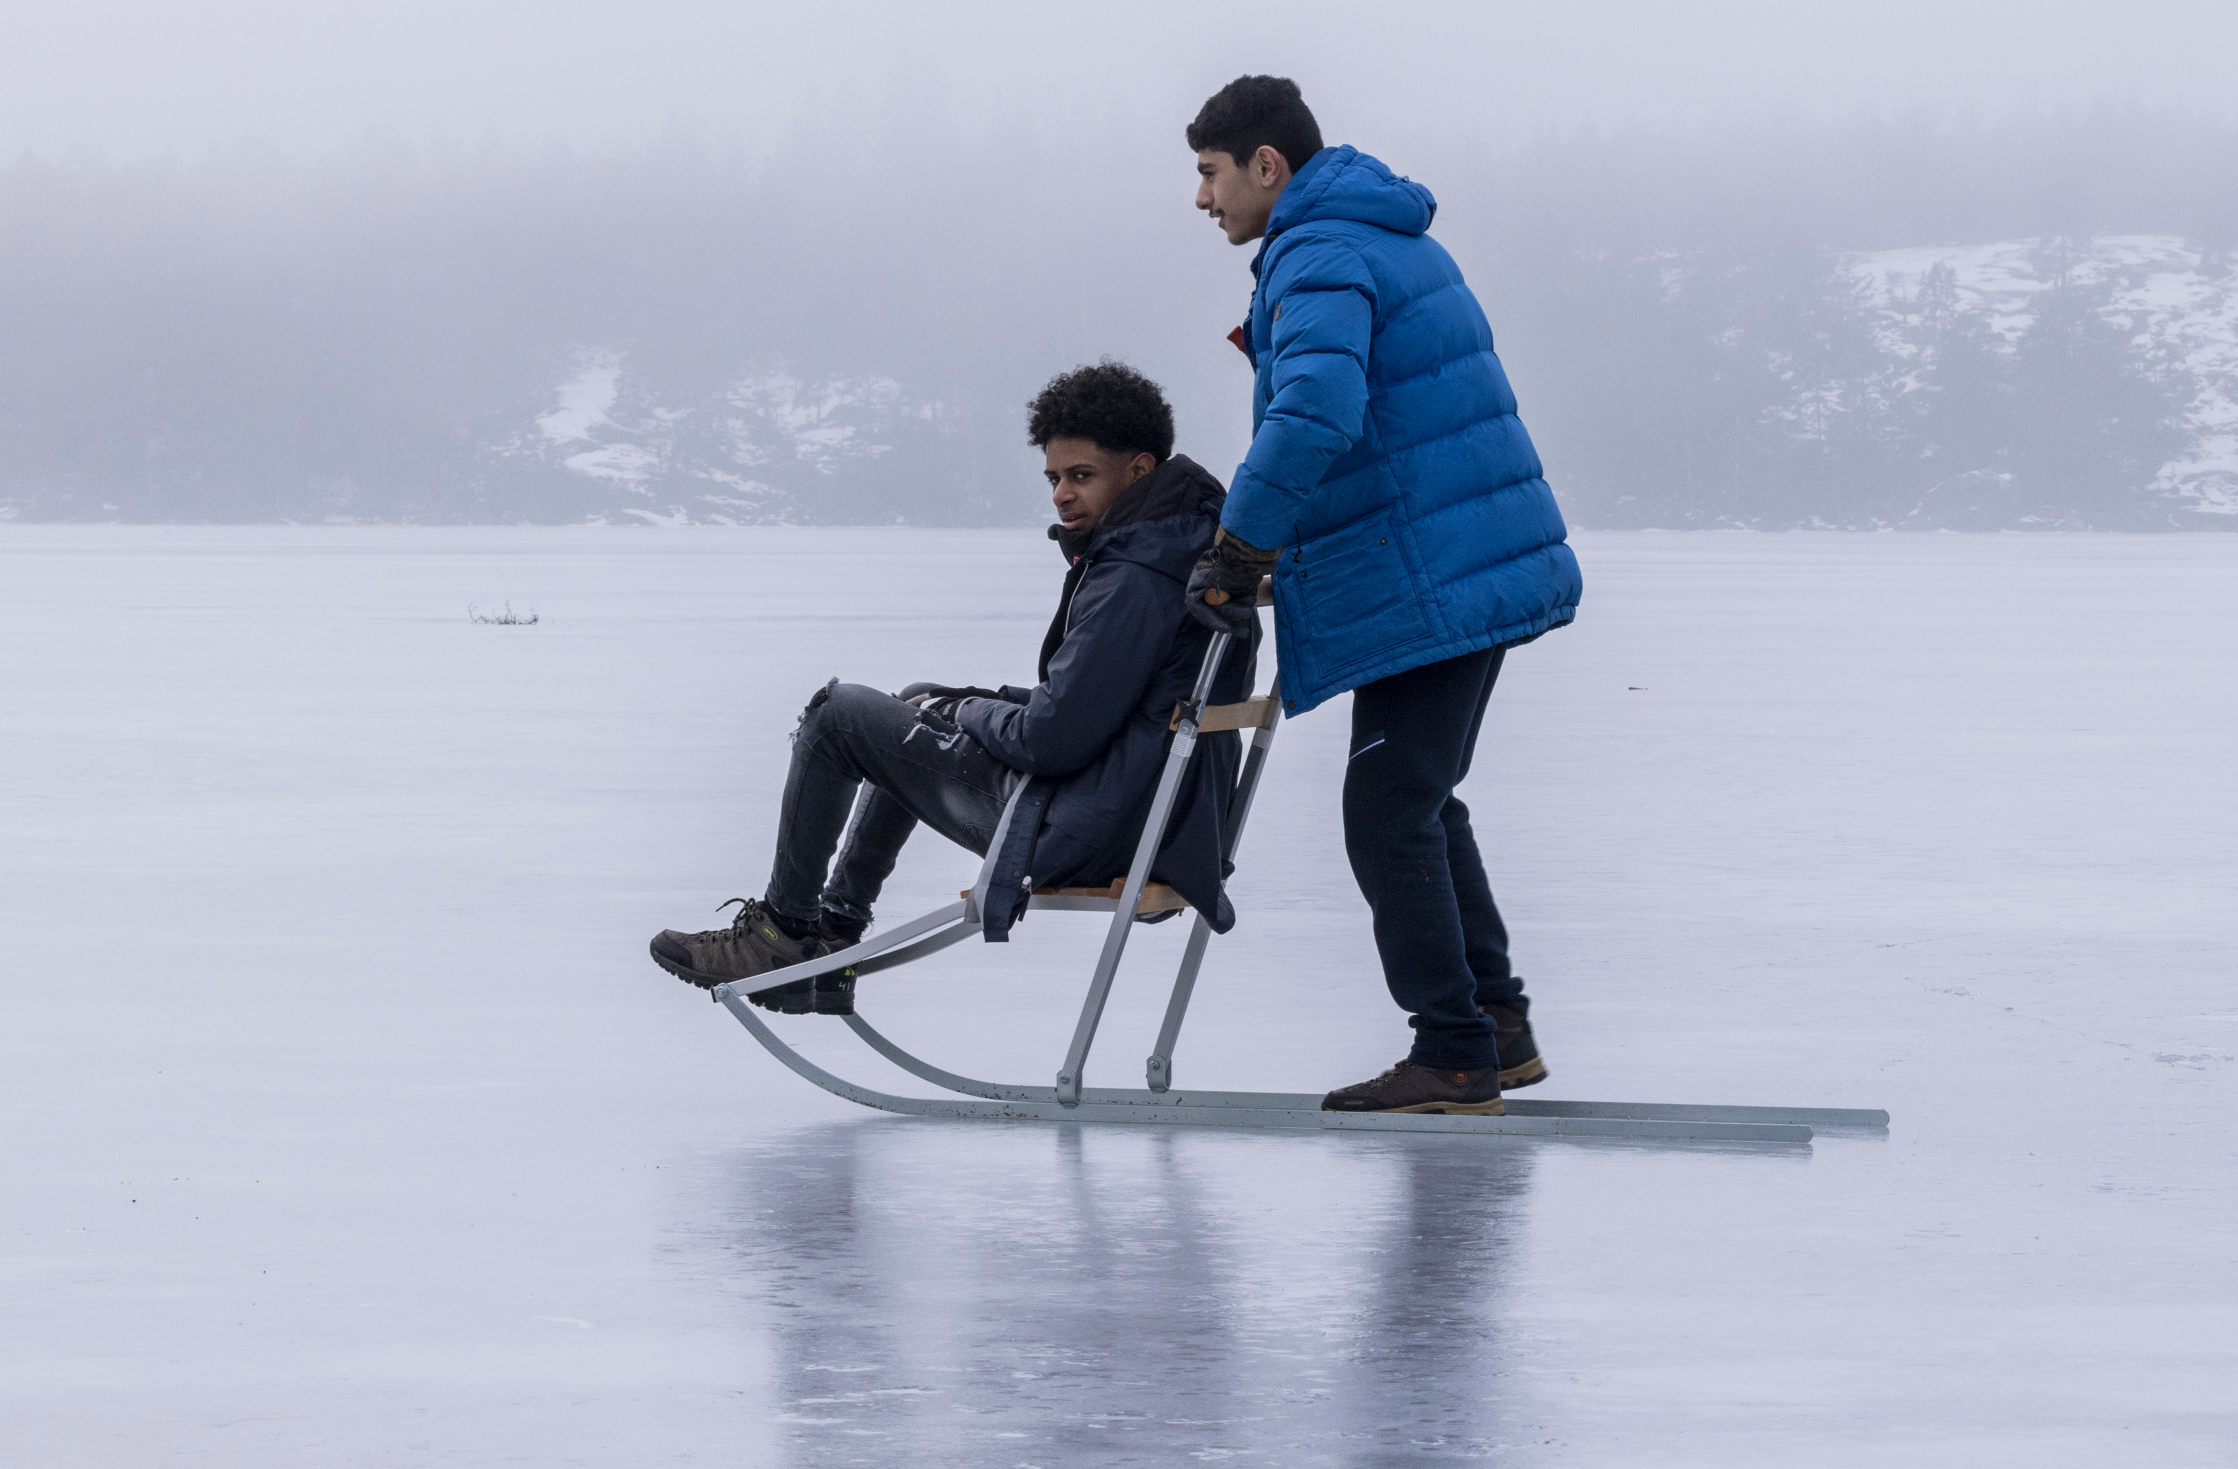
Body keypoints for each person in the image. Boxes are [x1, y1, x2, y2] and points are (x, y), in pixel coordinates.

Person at [1185, 74, 1583, 1116]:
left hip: (1435, 565)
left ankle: (1454, 1053)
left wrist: (1238, 541)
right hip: (1463, 550)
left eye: (1210, 173)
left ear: (1266, 165)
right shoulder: (1383, 235)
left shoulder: (1317, 249)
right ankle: (1493, 1022)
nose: (1201, 198)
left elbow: (1316, 410)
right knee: (1419, 796)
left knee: (1387, 809)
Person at [647, 361, 1242, 1016]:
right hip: (1138, 814)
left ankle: (785, 934)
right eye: (1053, 478)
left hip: (1081, 826)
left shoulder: (1136, 572)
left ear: (1139, 469)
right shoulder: (1181, 546)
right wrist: (959, 700)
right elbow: (1100, 704)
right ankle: (833, 937)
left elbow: (1051, 740)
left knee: (837, 716)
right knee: (916, 700)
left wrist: (965, 709)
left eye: (1081, 476)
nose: (1061, 495)